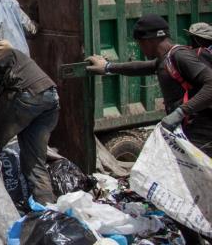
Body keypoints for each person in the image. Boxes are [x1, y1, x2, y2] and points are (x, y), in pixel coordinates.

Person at [86, 15, 212, 156]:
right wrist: (107, 67)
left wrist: (180, 112)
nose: (140, 48)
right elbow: (140, 67)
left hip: (202, 131)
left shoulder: (180, 56)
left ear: (149, 40)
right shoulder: (166, 59)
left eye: (139, 43)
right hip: (188, 130)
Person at [0, 38, 59, 204]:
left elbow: (3, 45)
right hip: (49, 96)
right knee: (34, 162)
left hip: (26, 94)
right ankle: (47, 208)